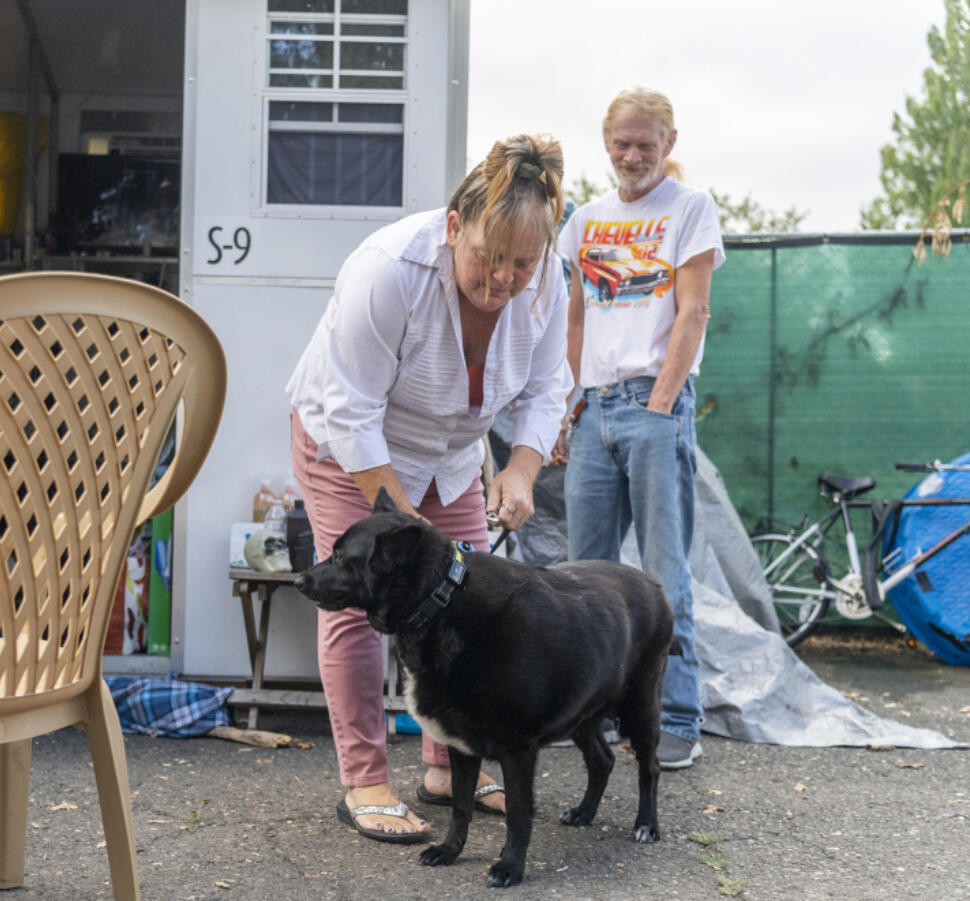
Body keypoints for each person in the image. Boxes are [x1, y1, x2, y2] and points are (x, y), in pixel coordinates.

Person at [286, 134, 572, 842]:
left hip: (449, 451)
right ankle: (365, 778)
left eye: (522, 263)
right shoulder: (387, 268)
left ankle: (451, 765)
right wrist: (403, 526)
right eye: (488, 256)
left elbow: (547, 385)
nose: (504, 277)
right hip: (351, 444)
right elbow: (350, 407)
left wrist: (521, 467)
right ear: (454, 226)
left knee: (468, 599)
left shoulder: (548, 278)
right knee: (359, 599)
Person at [555, 86, 724, 769]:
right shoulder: (585, 221)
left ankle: (676, 716)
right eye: (621, 144)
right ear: (607, 144)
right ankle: (587, 711)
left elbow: (693, 312)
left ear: (669, 144)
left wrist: (660, 403)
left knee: (662, 573)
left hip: (655, 403)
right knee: (581, 574)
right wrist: (566, 406)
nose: (632, 156)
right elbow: (573, 318)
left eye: (645, 145)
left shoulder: (690, 209)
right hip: (593, 407)